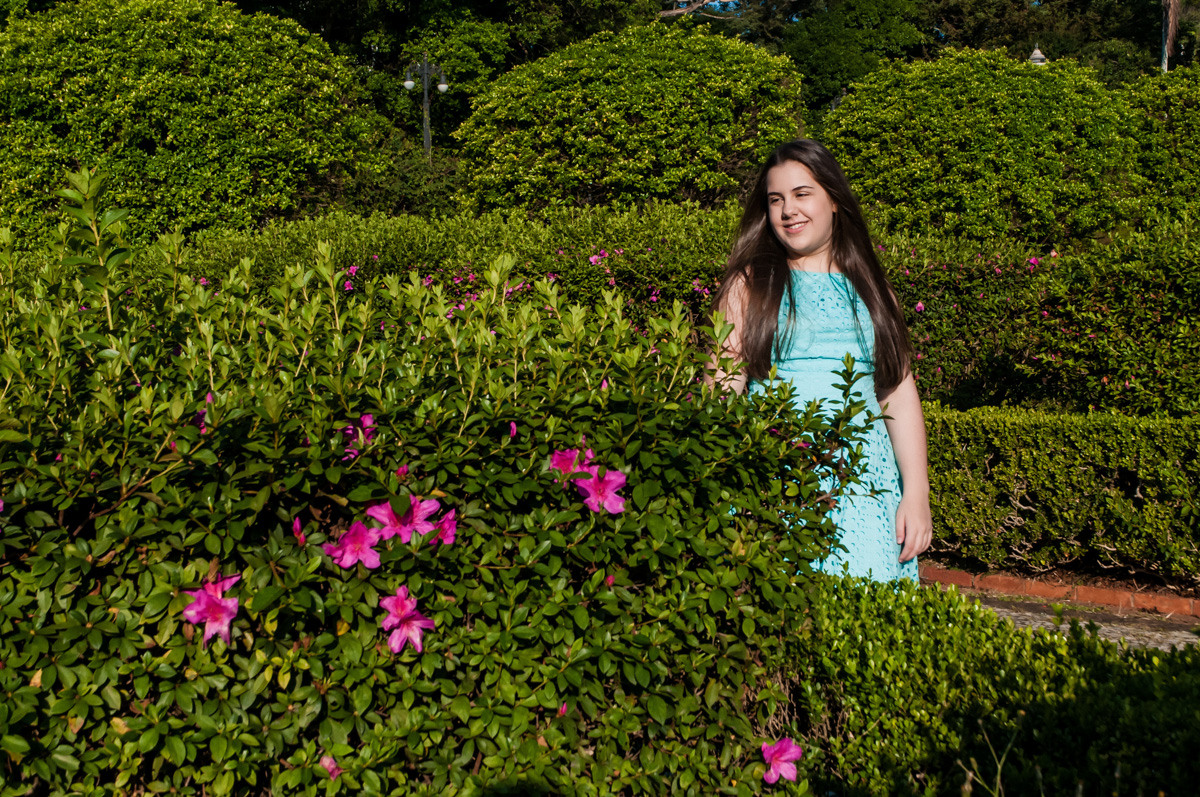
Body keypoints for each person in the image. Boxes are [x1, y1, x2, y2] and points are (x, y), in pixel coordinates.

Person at [707, 139, 931, 581]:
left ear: (834, 200)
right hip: (772, 479)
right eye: (776, 200)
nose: (788, 210)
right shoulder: (749, 285)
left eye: (802, 193)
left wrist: (917, 493)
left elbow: (898, 393)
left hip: (867, 486)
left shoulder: (874, 291)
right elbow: (721, 390)